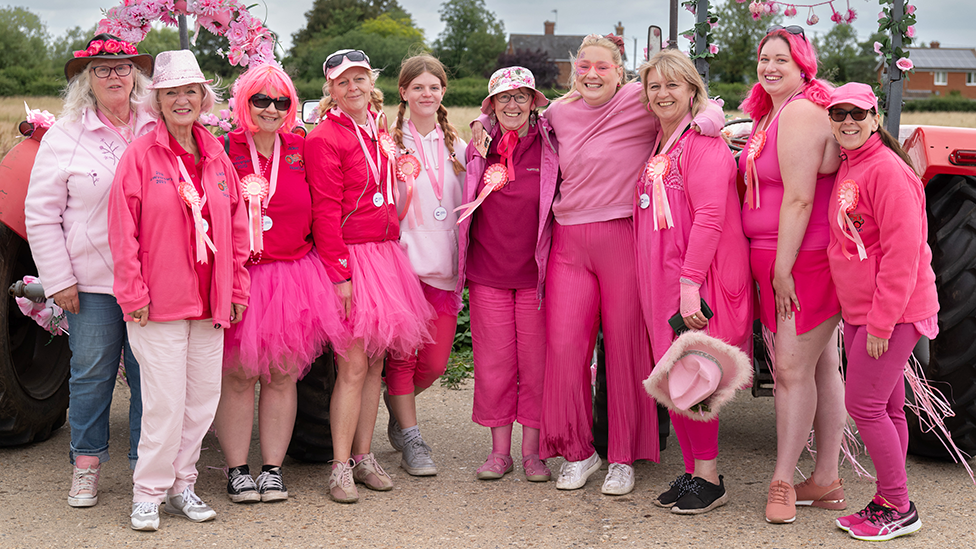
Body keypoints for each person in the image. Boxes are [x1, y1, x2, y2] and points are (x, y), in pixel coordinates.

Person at [529, 34, 723, 495]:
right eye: (584, 68)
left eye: (603, 67)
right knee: (564, 348)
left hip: (622, 237)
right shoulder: (558, 112)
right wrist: (481, 122)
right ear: (574, 73)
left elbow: (703, 103)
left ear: (621, 72)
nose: (592, 74)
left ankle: (622, 456)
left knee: (625, 348)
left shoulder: (642, 99)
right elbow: (513, 127)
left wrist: (709, 122)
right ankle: (579, 452)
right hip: (569, 242)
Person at [108, 49, 250, 531]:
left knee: (201, 399)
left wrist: (237, 289)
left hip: (211, 302)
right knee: (164, 403)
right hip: (158, 301)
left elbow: (236, 228)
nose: (182, 99)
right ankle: (147, 492)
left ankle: (182, 485)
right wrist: (133, 293)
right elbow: (121, 229)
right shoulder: (141, 154)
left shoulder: (215, 153)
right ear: (158, 100)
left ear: (203, 96)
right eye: (172, 92)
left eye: (191, 90)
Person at [25, 33, 153, 508]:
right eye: (102, 70)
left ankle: (147, 467)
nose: (114, 76)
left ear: (135, 74)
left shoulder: (155, 125)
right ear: (86, 80)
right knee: (92, 373)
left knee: (149, 374)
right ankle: (87, 464)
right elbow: (41, 214)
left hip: (152, 279)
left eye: (122, 67)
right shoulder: (65, 135)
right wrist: (59, 280)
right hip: (93, 283)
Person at [213, 63, 346, 503]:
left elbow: (325, 209)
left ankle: (271, 469)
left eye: (281, 101)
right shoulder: (221, 148)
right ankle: (236, 470)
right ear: (244, 102)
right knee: (236, 376)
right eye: (261, 99)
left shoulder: (300, 147)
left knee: (283, 376)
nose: (271, 109)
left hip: (293, 277)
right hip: (240, 278)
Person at [305, 49, 433, 503]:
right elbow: (325, 210)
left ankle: (363, 457)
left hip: (384, 255)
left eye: (359, 79)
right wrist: (340, 274)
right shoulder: (324, 137)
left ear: (370, 83)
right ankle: (339, 465)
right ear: (332, 90)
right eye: (343, 82)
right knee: (354, 365)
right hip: (352, 261)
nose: (353, 87)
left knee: (376, 364)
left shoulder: (379, 130)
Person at [633, 49, 753, 514]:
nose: (663, 94)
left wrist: (689, 284)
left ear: (692, 92)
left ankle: (710, 476)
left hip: (695, 276)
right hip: (660, 274)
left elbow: (709, 218)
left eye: (673, 85)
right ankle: (690, 470)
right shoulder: (663, 144)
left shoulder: (704, 145)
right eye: (654, 86)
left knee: (696, 374)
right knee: (673, 374)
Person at [737, 25, 846, 524]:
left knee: (790, 371)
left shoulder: (801, 111)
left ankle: (783, 479)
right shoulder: (771, 114)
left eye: (782, 58)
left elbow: (800, 197)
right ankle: (825, 480)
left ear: (804, 65)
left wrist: (782, 269)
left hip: (801, 258)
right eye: (764, 58)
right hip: (778, 257)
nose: (771, 66)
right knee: (822, 366)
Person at [825, 83, 936, 541]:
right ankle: (889, 499)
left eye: (858, 113)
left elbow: (902, 253)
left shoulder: (888, 170)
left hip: (892, 312)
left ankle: (899, 505)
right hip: (862, 310)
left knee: (863, 404)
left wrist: (882, 321)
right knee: (888, 408)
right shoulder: (854, 164)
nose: (848, 121)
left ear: (875, 118)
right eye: (839, 114)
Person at [457, 66, 557, 482]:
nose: (512, 105)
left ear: (534, 101)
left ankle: (533, 453)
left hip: (536, 278)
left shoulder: (552, 145)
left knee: (536, 367)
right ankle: (500, 454)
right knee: (495, 365)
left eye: (521, 96)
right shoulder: (479, 147)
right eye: (504, 98)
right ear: (491, 105)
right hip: (487, 275)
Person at [384, 54, 466, 477]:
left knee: (432, 365)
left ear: (443, 93)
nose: (426, 94)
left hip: (446, 270)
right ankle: (411, 438)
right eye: (418, 87)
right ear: (403, 93)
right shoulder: (388, 143)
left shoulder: (460, 146)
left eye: (434, 87)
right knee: (400, 360)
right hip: (402, 267)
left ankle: (396, 406)